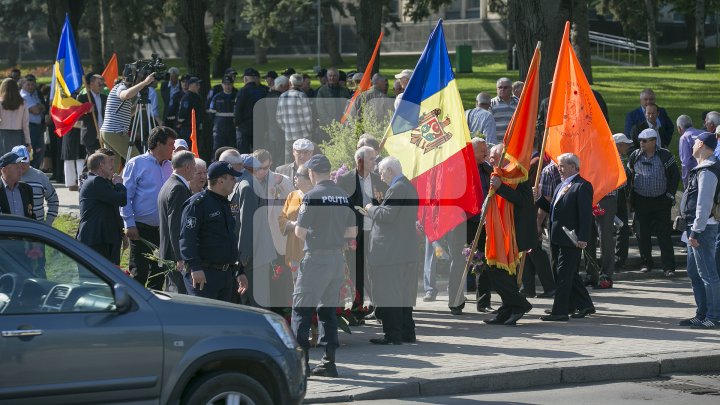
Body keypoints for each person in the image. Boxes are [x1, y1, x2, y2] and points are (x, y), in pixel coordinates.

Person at [292, 154, 356, 378]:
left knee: (301, 309)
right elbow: (352, 233)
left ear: (311, 173)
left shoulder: (311, 196)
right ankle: (329, 362)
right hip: (336, 260)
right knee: (328, 311)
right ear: (329, 171)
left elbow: (300, 233)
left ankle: (302, 365)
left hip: (315, 259)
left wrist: (306, 230)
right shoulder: (343, 196)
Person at [365, 156, 419, 344]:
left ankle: (393, 334)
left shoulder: (398, 188)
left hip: (392, 253)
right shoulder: (407, 186)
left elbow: (387, 215)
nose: (380, 176)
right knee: (403, 295)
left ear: (390, 171)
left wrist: (370, 208)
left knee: (390, 295)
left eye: (381, 171)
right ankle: (407, 332)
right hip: (402, 251)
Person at [535, 153, 595, 321]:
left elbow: (585, 215)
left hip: (571, 238)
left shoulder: (582, 185)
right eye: (558, 166)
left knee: (563, 274)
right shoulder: (561, 185)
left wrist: (583, 237)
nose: (558, 169)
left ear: (573, 167)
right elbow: (553, 208)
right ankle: (583, 305)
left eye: (561, 166)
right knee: (567, 273)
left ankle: (560, 311)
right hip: (557, 237)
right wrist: (539, 199)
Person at [179, 161, 249, 301]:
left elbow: (229, 239)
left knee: (223, 321)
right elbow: (187, 238)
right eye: (232, 178)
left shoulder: (224, 203)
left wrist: (239, 270)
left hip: (225, 275)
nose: (235, 181)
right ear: (221, 181)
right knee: (205, 320)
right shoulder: (197, 204)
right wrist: (195, 267)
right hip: (204, 274)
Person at [482, 144, 533, 326]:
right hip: (497, 232)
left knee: (500, 271)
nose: (491, 159)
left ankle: (519, 305)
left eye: (495, 156)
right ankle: (508, 309)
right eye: (490, 156)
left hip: (513, 233)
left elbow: (524, 202)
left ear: (506, 156)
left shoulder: (519, 175)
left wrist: (500, 187)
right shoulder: (498, 175)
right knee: (497, 271)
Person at [336, 146, 388, 316]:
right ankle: (358, 308)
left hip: (375, 232)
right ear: (360, 161)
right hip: (354, 232)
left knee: (376, 269)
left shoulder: (379, 179)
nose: (375, 162)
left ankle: (379, 307)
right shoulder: (344, 180)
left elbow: (385, 205)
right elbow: (342, 209)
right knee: (356, 270)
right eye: (372, 159)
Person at [121, 126, 175, 289]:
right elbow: (126, 196)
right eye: (171, 144)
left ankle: (153, 308)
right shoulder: (136, 164)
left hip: (164, 230)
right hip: (140, 229)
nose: (173, 148)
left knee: (159, 273)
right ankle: (134, 309)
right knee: (139, 272)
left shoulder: (170, 166)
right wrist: (129, 224)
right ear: (159, 144)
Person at [679, 132, 720, 329]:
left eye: (695, 142)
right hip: (695, 228)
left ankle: (713, 316)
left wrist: (695, 231)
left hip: (701, 229)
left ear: (702, 145)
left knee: (708, 274)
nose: (693, 144)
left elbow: (703, 205)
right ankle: (702, 313)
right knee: (695, 273)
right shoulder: (703, 168)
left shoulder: (708, 170)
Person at [627, 128, 680, 277]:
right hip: (641, 201)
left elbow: (675, 176)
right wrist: (630, 199)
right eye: (640, 140)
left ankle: (669, 267)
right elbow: (628, 175)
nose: (641, 143)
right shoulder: (635, 156)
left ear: (653, 141)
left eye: (644, 141)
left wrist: (669, 196)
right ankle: (646, 263)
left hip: (661, 201)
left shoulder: (665, 155)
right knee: (642, 235)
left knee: (664, 235)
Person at [229, 154, 278, 307]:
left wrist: (243, 256)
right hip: (256, 252)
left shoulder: (247, 186)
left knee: (255, 302)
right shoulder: (251, 183)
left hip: (253, 255)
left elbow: (247, 223)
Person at [100, 70, 157, 169]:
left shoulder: (120, 87)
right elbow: (125, 95)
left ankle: (111, 183)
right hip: (115, 132)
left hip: (109, 132)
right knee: (137, 160)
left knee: (113, 166)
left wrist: (138, 108)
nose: (140, 82)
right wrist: (145, 83)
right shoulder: (121, 87)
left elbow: (128, 113)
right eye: (139, 79)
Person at [77, 152, 127, 264]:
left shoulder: (99, 182)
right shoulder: (96, 181)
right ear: (101, 166)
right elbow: (121, 200)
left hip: (103, 239)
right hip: (97, 240)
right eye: (110, 162)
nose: (113, 166)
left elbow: (113, 209)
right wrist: (119, 184)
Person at [158, 151, 196, 293]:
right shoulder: (178, 188)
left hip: (170, 253)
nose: (195, 170)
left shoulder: (169, 183)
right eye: (194, 166)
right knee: (178, 296)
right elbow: (175, 226)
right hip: (175, 257)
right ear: (187, 167)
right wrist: (179, 257)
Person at [279, 164, 311, 278]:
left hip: (312, 250)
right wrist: (292, 224)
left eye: (298, 175)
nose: (294, 177)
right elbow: (281, 218)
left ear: (309, 178)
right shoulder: (292, 195)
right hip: (294, 248)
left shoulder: (317, 196)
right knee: (297, 286)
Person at [12, 145, 58, 225]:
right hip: (14, 229)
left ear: (29, 159)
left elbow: (53, 200)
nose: (22, 164)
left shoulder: (40, 176)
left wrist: (47, 223)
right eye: (18, 161)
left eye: (24, 160)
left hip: (37, 230)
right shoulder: (7, 178)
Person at [276, 74, 314, 163]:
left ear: (290, 83)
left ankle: (289, 176)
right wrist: (310, 130)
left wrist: (286, 129)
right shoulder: (302, 95)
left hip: (289, 134)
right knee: (304, 161)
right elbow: (308, 117)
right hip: (303, 134)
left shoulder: (282, 96)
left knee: (289, 161)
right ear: (301, 84)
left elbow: (279, 118)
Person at [234, 68, 268, 153]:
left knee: (244, 153)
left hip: (245, 126)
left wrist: (237, 123)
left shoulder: (243, 91)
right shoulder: (263, 91)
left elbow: (238, 109)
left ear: (245, 79)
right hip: (260, 126)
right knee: (258, 153)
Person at [613, 133, 634, 269]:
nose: (628, 146)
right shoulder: (615, 158)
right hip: (614, 195)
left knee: (622, 226)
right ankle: (618, 259)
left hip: (616, 195)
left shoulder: (617, 157)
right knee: (621, 226)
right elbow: (620, 181)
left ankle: (618, 258)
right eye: (625, 144)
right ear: (619, 145)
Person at [315, 68, 352, 142]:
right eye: (330, 76)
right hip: (327, 129)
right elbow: (321, 111)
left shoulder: (344, 91)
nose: (332, 78)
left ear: (338, 77)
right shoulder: (322, 91)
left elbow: (349, 108)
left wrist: (343, 123)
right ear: (327, 77)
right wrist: (333, 124)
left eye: (334, 76)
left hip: (343, 127)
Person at [76, 73, 107, 156]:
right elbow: (77, 116)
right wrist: (86, 111)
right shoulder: (83, 98)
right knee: (95, 159)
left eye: (102, 84)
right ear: (91, 84)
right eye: (99, 84)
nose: (101, 86)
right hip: (90, 135)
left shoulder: (105, 98)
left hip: (103, 135)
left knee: (97, 161)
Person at [19, 75, 45, 168]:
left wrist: (40, 107)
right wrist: (39, 107)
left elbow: (43, 107)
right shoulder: (24, 96)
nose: (30, 86)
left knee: (39, 150)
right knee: (32, 151)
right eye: (28, 84)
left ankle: (34, 170)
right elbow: (36, 111)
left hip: (37, 126)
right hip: (30, 127)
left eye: (32, 84)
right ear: (23, 85)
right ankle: (30, 170)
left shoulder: (34, 95)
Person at [0, 78, 30, 156]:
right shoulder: (23, 103)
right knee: (16, 161)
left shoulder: (0, 103)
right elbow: (25, 125)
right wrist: (28, 142)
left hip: (3, 135)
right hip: (18, 135)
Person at [0, 151, 35, 218]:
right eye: (17, 168)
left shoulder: (27, 189)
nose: (21, 171)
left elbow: (32, 216)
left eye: (20, 167)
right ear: (4, 170)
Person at [209, 75, 237, 151]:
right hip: (219, 129)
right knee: (218, 149)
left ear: (232, 84)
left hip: (233, 128)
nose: (227, 86)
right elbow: (211, 113)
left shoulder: (237, 96)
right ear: (222, 85)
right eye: (225, 84)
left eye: (229, 84)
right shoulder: (217, 97)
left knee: (233, 149)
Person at [177, 77, 204, 152]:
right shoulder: (187, 97)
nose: (198, 86)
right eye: (196, 84)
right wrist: (180, 123)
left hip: (195, 127)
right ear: (191, 85)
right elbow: (183, 112)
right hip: (188, 127)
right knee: (188, 148)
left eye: (199, 84)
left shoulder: (196, 96)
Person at [677, 115, 704, 187]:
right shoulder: (703, 133)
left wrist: (685, 182)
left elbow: (686, 163)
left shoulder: (684, 138)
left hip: (694, 178)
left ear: (679, 128)